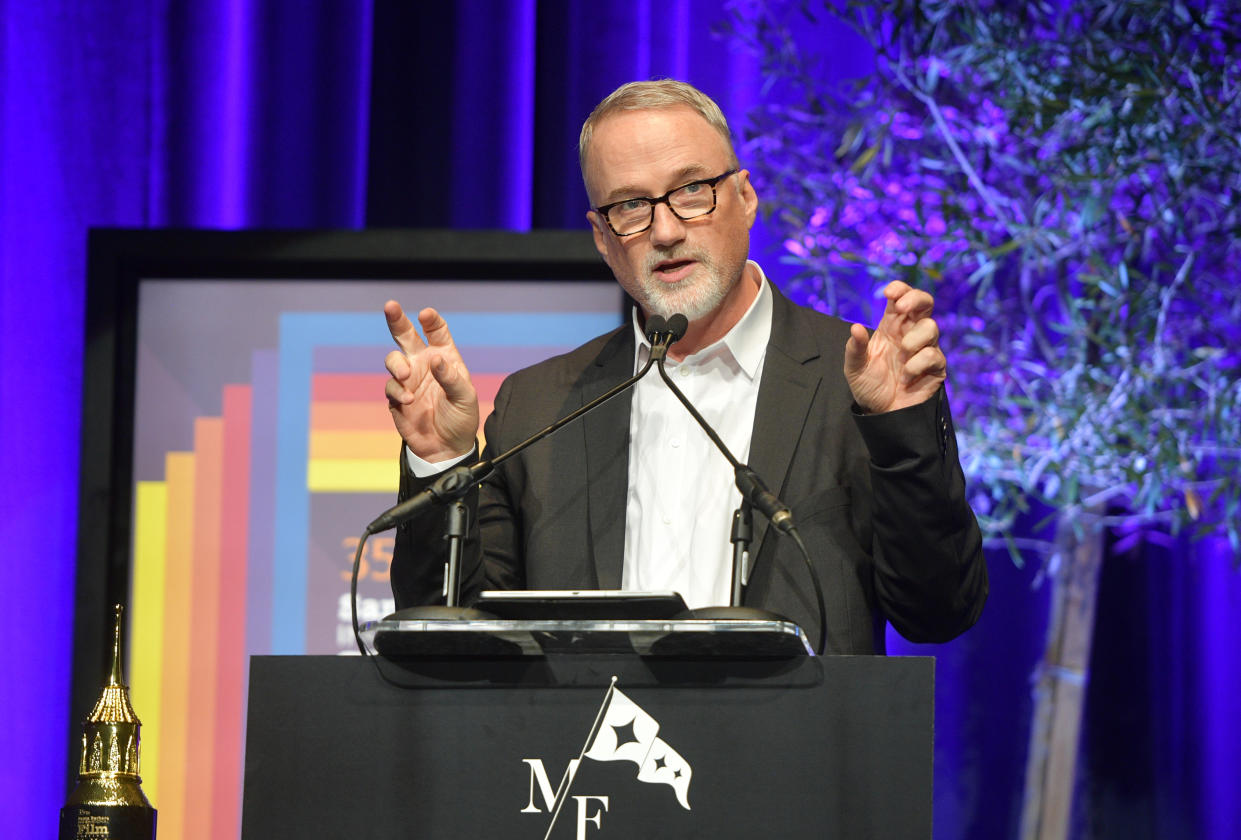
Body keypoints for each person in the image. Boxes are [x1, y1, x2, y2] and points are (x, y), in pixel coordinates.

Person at [381, 80, 987, 653]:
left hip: (799, 759)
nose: (665, 230)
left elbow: (938, 611)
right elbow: (454, 637)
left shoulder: (853, 384)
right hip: (596, 759)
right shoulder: (540, 405)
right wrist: (442, 462)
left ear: (744, 198)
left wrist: (903, 433)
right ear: (601, 236)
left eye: (692, 191)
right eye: (630, 205)